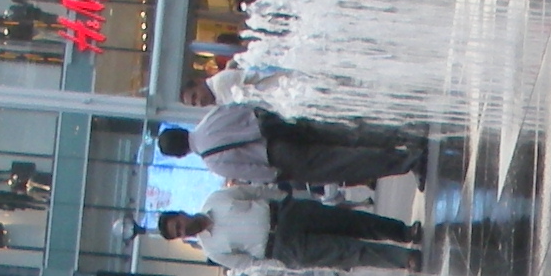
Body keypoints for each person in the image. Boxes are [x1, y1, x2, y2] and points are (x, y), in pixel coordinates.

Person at [157, 189, 421, 273]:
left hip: (288, 214)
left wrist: (286, 200)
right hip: (283, 248)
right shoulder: (213, 250)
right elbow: (248, 264)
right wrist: (281, 262)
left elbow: (254, 192)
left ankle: (404, 232)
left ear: (181, 214)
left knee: (352, 221)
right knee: (347, 252)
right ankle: (403, 259)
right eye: (179, 233)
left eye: (178, 224)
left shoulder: (216, 199)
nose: (183, 230)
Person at [157, 108, 426, 190]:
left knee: (346, 162)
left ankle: (408, 161)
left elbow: (257, 172)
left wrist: (282, 176)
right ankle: (406, 136)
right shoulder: (209, 118)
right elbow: (245, 107)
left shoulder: (213, 162)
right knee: (348, 136)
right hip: (282, 126)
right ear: (180, 130)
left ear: (181, 154)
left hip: (281, 157)